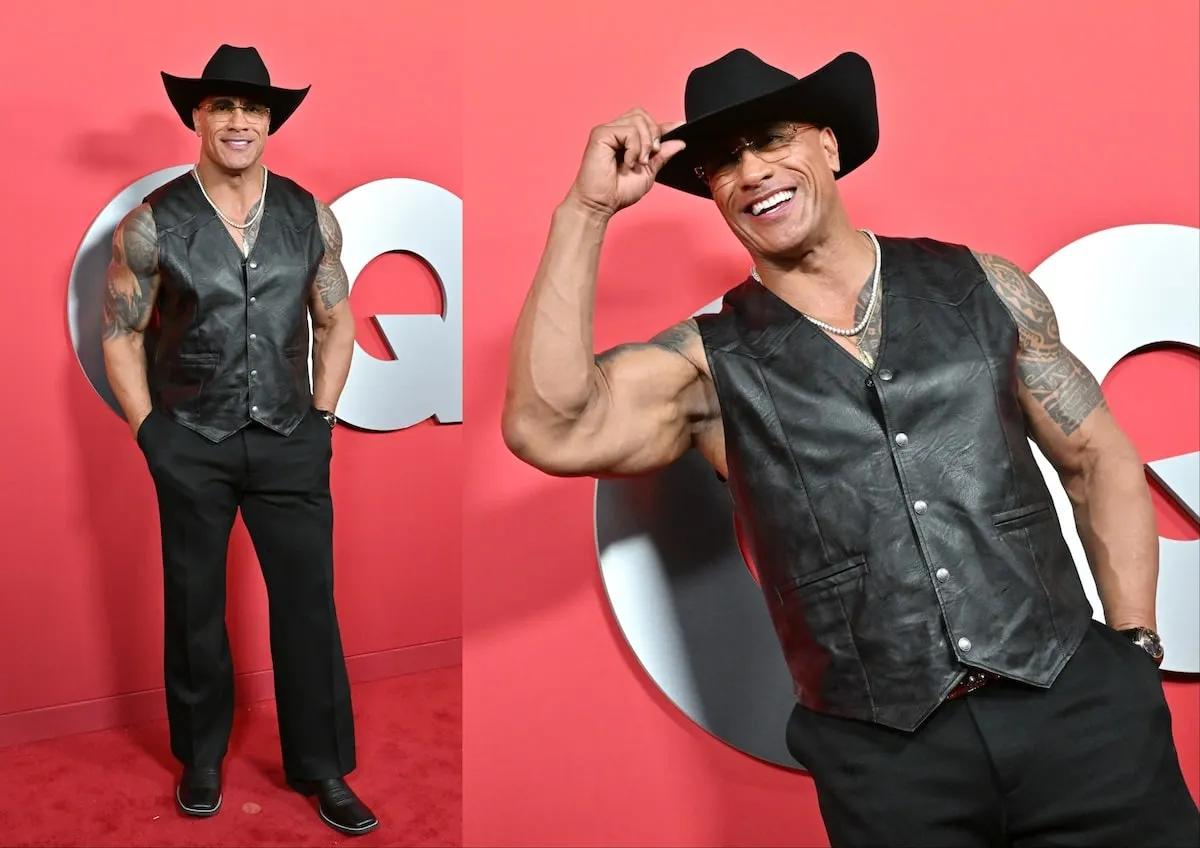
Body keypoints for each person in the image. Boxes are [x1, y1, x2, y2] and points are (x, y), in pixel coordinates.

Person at [501, 47, 1200, 847]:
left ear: (828, 146)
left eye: (771, 140)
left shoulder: (981, 285)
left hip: (1083, 719)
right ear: (711, 193)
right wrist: (584, 213)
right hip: (889, 765)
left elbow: (1097, 457)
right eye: (724, 162)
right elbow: (548, 426)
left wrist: (1134, 648)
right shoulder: (707, 365)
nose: (753, 170)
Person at [101, 44, 377, 837]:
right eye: (222, 107)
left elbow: (336, 318)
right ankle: (200, 758)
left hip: (293, 436)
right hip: (191, 438)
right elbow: (120, 331)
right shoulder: (153, 223)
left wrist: (323, 418)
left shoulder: (308, 214)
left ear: (269, 124)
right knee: (194, 607)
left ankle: (322, 769)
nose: (237, 122)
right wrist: (150, 430)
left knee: (308, 608)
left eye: (252, 110)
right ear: (198, 117)